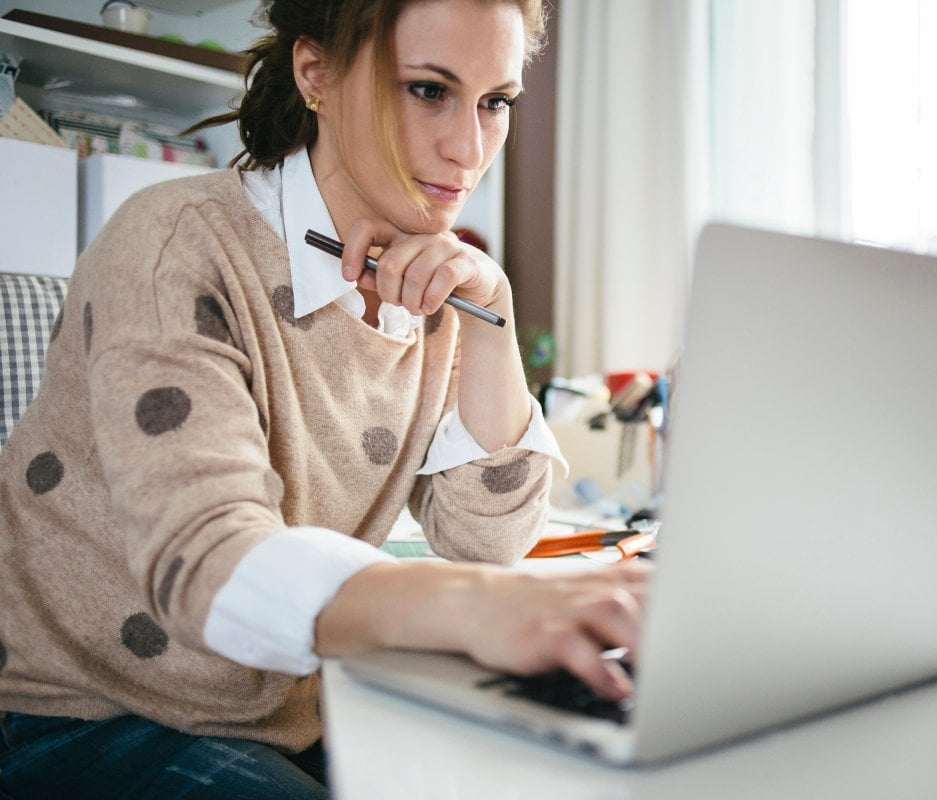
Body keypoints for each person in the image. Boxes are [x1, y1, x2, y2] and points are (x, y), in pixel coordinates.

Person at [0, 1, 647, 796]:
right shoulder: (174, 244)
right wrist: (471, 607)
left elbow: (486, 543)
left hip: (287, 709)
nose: (469, 148)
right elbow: (208, 561)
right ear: (316, 74)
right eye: (427, 90)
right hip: (75, 716)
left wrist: (493, 317)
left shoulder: (432, 286)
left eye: (495, 101)